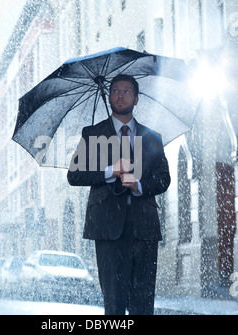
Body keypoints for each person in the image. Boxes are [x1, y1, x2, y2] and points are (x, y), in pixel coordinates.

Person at [67, 74, 170, 315]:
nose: (120, 95)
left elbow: (164, 178)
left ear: (136, 99)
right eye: (115, 91)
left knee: (143, 306)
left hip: (144, 230)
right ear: (109, 96)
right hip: (108, 229)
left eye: (126, 91)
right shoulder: (93, 134)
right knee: (114, 305)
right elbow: (74, 175)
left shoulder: (152, 137)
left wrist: (139, 185)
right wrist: (110, 171)